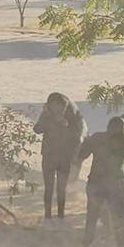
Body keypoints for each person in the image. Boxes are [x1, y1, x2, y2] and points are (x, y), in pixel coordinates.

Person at [78, 116, 124, 247]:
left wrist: (86, 142)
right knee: (118, 220)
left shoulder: (97, 138)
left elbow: (81, 155)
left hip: (96, 182)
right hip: (116, 183)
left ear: (107, 127)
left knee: (92, 217)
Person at [33, 92, 84, 222]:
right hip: (49, 155)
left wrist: (64, 124)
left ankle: (61, 215)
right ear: (49, 105)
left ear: (63, 105)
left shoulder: (72, 114)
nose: (55, 107)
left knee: (61, 188)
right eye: (52, 105)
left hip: (64, 156)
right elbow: (37, 129)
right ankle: (48, 215)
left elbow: (77, 135)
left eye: (58, 105)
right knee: (48, 187)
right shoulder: (47, 114)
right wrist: (48, 119)